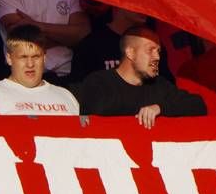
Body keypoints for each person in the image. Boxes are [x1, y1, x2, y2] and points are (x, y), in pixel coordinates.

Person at [76, 26, 208, 124]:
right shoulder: (99, 82)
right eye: (150, 50)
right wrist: (143, 112)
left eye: (158, 51)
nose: (157, 57)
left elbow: (198, 105)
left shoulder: (159, 85)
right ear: (130, 53)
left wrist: (160, 108)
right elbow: (98, 114)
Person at [0, 24, 81, 115]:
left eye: (36, 57)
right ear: (9, 59)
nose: (30, 64)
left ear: (44, 57)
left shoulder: (66, 97)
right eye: (23, 57)